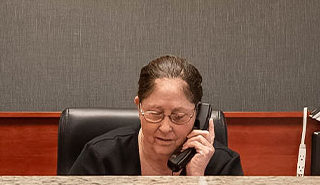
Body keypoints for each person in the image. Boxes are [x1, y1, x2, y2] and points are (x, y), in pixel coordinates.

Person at [69, 55, 244, 175]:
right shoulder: (100, 157)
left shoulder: (223, 165)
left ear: (198, 115)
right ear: (139, 108)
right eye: (155, 114)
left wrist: (196, 178)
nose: (166, 128)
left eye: (179, 116)